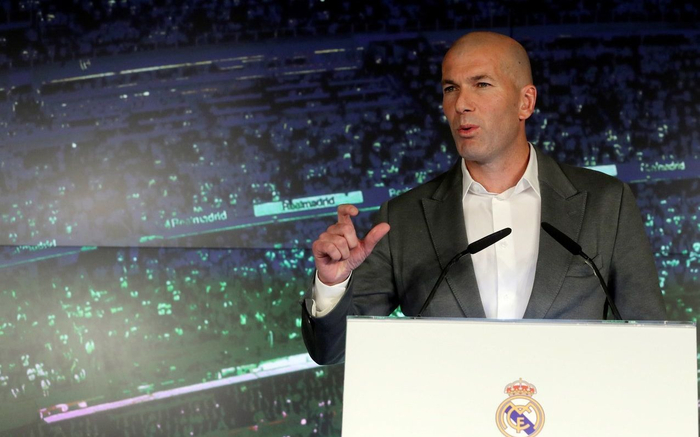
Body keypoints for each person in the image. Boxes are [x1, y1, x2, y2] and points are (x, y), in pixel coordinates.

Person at [301, 31, 667, 365]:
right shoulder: (403, 218)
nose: (462, 103)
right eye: (451, 88)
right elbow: (333, 350)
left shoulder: (606, 202)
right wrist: (332, 284)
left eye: (481, 84)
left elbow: (653, 342)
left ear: (525, 102)